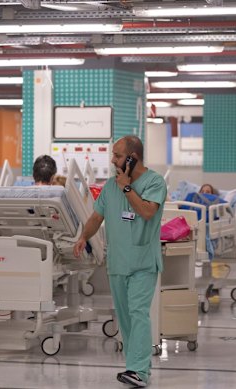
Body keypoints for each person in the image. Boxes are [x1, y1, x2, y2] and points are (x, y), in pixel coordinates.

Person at [73, 135, 166, 388]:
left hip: (143, 262)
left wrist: (127, 187)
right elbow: (96, 216)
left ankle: (139, 371)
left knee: (138, 313)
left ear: (132, 158)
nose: (113, 160)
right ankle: (135, 367)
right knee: (125, 317)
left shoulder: (154, 182)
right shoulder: (110, 186)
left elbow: (147, 212)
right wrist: (84, 236)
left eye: (117, 155)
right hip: (118, 262)